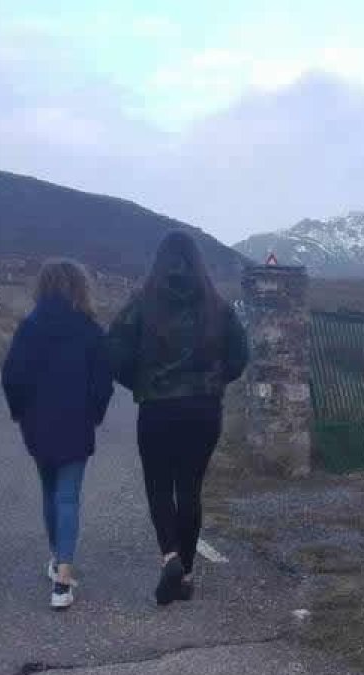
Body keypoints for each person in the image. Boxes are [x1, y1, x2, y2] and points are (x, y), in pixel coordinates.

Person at [107, 231, 248, 606]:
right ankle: (185, 572)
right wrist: (215, 380)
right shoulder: (218, 306)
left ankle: (169, 555)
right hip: (203, 410)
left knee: (158, 487)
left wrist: (142, 382)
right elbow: (239, 355)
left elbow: (114, 354)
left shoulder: (141, 304)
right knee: (189, 489)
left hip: (157, 409)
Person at [2, 259, 113, 610]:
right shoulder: (90, 330)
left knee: (50, 492)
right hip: (76, 422)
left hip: (37, 423)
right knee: (68, 496)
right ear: (80, 288)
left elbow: (12, 377)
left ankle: (55, 558)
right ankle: (63, 578)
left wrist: (20, 412)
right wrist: (94, 414)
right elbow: (102, 382)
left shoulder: (29, 328)